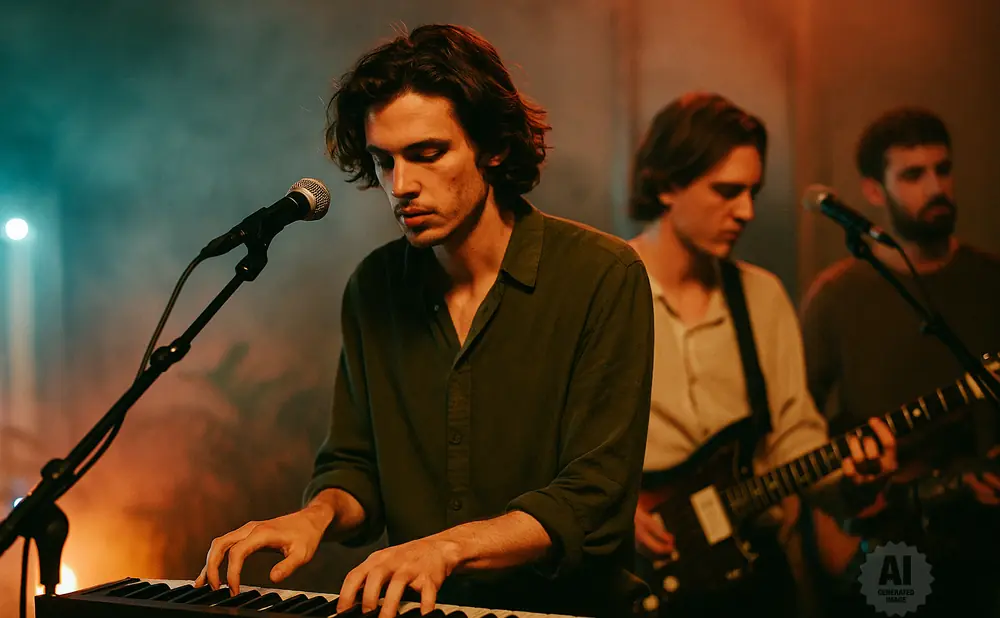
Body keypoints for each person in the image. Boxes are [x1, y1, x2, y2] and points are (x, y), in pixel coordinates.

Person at [194, 24, 656, 618]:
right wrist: (315, 517)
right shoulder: (375, 287)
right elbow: (356, 468)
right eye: (384, 161)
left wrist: (447, 549)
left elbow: (594, 497)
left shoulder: (603, 275)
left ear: (493, 147)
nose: (402, 186)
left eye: (428, 153)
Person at [625, 92, 897, 618]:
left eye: (753, 191)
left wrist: (852, 478)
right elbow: (558, 439)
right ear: (665, 185)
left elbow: (793, 433)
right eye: (727, 192)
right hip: (642, 573)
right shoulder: (606, 288)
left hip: (753, 571)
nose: (746, 211)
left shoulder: (762, 295)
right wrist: (610, 510)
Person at [801, 106, 1000, 617]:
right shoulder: (836, 297)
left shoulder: (989, 281)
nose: (935, 187)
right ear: (873, 190)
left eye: (943, 169)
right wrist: (834, 547)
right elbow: (795, 431)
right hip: (889, 539)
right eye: (913, 175)